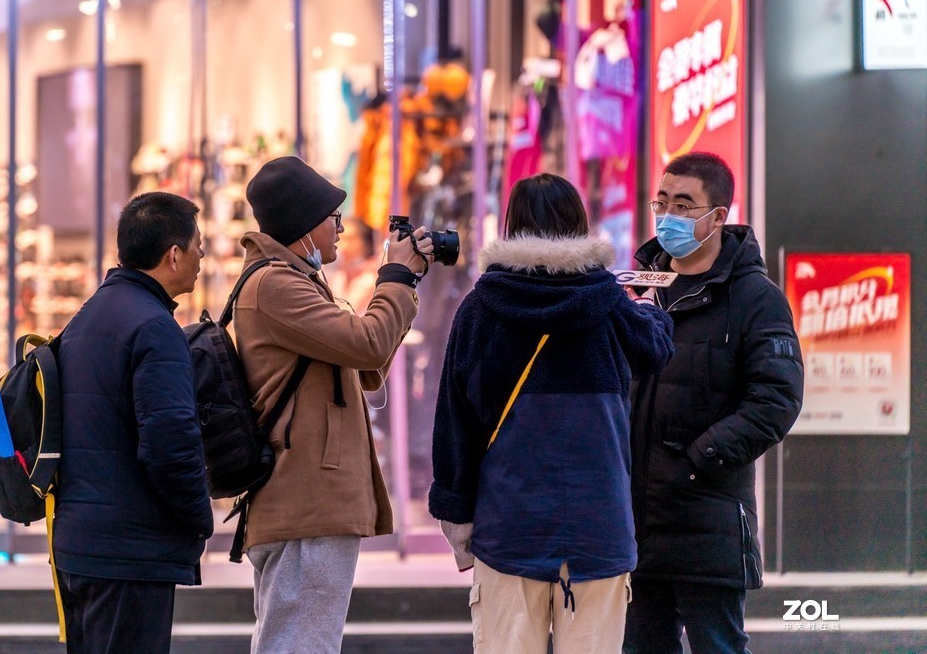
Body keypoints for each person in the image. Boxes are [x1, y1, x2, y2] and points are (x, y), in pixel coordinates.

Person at [428, 173, 674, 654]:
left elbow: (454, 421)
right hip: (598, 531)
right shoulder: (609, 304)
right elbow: (655, 349)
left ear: (512, 225)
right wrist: (653, 309)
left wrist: (456, 518)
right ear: (578, 226)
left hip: (509, 530)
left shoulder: (480, 309)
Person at [232, 156, 431, 654]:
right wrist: (397, 278)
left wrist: (400, 282)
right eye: (331, 216)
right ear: (302, 224)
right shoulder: (275, 285)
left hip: (311, 500)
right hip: (305, 502)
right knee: (300, 645)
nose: (340, 228)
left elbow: (363, 363)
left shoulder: (292, 279)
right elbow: (366, 346)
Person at [624, 152, 804, 654]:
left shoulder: (754, 298)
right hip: (637, 527)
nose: (667, 216)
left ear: (718, 216)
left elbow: (776, 399)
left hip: (708, 521)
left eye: (684, 205)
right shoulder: (639, 289)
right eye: (661, 202)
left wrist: (698, 460)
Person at [52, 192, 214, 654]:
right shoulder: (155, 328)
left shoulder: (86, 318)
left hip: (81, 546)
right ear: (174, 254)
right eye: (197, 244)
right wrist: (199, 518)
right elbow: (170, 442)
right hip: (130, 553)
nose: (202, 255)